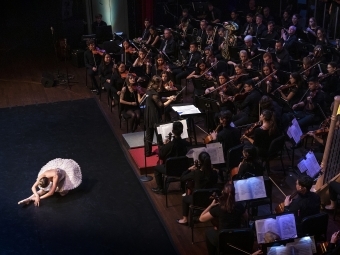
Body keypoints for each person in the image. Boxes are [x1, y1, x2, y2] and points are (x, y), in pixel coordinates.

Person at [199, 183, 247, 255]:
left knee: (209, 233)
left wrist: (211, 205)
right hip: (237, 236)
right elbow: (246, 217)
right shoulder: (240, 206)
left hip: (223, 238)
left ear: (222, 193)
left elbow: (201, 218)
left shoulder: (218, 208)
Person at [176, 152, 218, 225]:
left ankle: (185, 219)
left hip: (197, 200)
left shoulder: (196, 173)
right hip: (211, 200)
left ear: (200, 162)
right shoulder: (214, 173)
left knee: (185, 199)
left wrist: (189, 169)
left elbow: (182, 178)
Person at [18, 158, 82, 206]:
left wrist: (39, 198)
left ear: (49, 181)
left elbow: (51, 193)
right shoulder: (42, 175)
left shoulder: (55, 177)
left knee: (63, 193)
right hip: (53, 175)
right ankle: (28, 199)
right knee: (43, 190)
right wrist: (37, 196)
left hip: (62, 176)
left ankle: (31, 199)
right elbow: (33, 187)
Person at [151, 121, 188, 194]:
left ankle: (160, 188)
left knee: (156, 168)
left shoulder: (170, 145)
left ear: (173, 131)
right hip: (184, 169)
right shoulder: (186, 144)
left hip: (171, 169)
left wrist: (164, 145)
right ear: (182, 131)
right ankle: (182, 186)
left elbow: (161, 155)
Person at [144, 75, 175, 156]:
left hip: (148, 114)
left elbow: (159, 97)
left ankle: (147, 152)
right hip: (154, 115)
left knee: (149, 134)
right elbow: (161, 105)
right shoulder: (154, 93)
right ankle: (161, 153)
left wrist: (168, 97)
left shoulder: (149, 90)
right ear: (157, 83)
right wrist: (170, 100)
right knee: (159, 135)